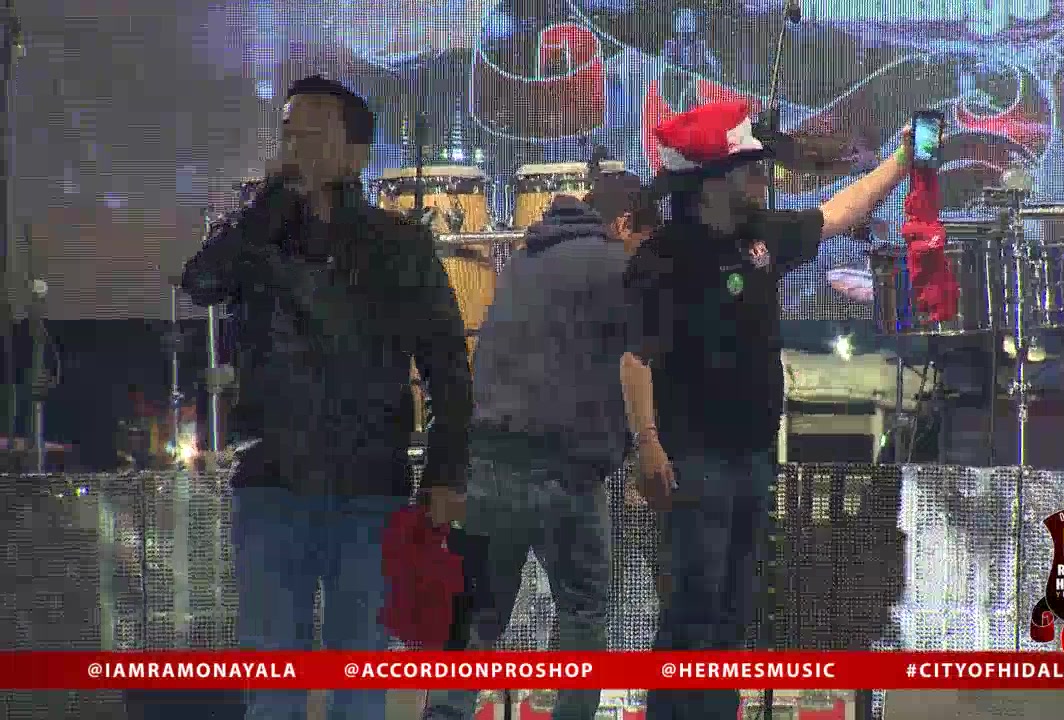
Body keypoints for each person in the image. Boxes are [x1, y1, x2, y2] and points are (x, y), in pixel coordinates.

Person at [180, 75, 472, 720]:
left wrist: (446, 473)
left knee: (359, 677)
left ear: (356, 154)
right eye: (289, 134)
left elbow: (448, 367)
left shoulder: (399, 245)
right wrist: (268, 205)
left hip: (369, 486)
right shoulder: (257, 238)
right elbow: (200, 283)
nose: (296, 148)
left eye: (313, 136)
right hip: (272, 481)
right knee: (272, 679)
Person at [619, 100, 912, 719]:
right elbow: (636, 359)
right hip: (693, 461)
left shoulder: (762, 237)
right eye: (750, 167)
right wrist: (647, 443)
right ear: (712, 182)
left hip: (752, 456)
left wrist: (904, 159)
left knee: (732, 614)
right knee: (693, 613)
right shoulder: (662, 258)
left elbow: (842, 209)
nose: (762, 176)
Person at [423, 172, 659, 720]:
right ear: (625, 223)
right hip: (566, 469)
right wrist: (643, 443)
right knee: (582, 612)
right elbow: (639, 361)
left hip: (487, 460)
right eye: (644, 242)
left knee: (476, 619)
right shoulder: (616, 265)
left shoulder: (524, 261)